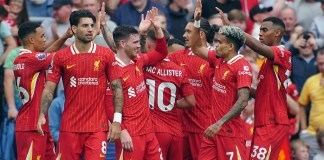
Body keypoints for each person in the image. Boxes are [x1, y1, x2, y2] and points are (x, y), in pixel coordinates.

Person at [36, 10, 124, 159]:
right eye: (85, 25)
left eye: (91, 25)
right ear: (74, 29)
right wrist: (42, 114)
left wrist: (116, 121)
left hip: (97, 127)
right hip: (70, 127)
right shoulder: (61, 56)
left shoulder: (106, 54)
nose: (90, 29)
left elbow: (117, 89)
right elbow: (49, 89)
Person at [217, 7, 292, 159]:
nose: (260, 33)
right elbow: (261, 95)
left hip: (272, 122)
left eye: (264, 30)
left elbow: (258, 47)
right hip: (264, 121)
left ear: (277, 33)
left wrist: (233, 30)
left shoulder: (283, 52)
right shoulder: (267, 63)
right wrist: (240, 85)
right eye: (260, 30)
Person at [191, 1, 252, 159]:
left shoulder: (242, 66)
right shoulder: (218, 59)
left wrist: (220, 123)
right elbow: (196, 48)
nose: (215, 45)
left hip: (230, 133)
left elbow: (243, 100)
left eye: (219, 42)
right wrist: (197, 22)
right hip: (212, 131)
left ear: (230, 46)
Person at [112, 7, 168, 159]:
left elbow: (161, 53)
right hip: (130, 134)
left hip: (148, 132)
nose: (139, 46)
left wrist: (157, 29)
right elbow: (107, 104)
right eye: (135, 42)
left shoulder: (138, 60)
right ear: (122, 44)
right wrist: (122, 131)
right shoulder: (112, 70)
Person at [13, 22, 72, 159]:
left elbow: (45, 55)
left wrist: (64, 36)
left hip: (39, 124)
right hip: (31, 126)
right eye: (42, 36)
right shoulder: (28, 59)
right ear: (32, 40)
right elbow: (57, 56)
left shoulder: (25, 60)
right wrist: (80, 44)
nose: (45, 39)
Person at [143, 28, 196, 160]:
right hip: (176, 132)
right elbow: (191, 102)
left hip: (155, 130)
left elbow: (121, 53)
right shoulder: (180, 70)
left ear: (148, 44)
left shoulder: (143, 66)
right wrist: (172, 103)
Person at [167, 17, 215, 160]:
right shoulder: (178, 56)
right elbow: (151, 59)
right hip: (180, 127)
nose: (184, 35)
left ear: (201, 34)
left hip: (203, 127)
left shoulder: (216, 58)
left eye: (188, 32)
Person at [298, 48, 324, 160]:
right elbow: (301, 105)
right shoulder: (311, 81)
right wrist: (303, 129)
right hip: (312, 135)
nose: (322, 67)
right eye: (320, 64)